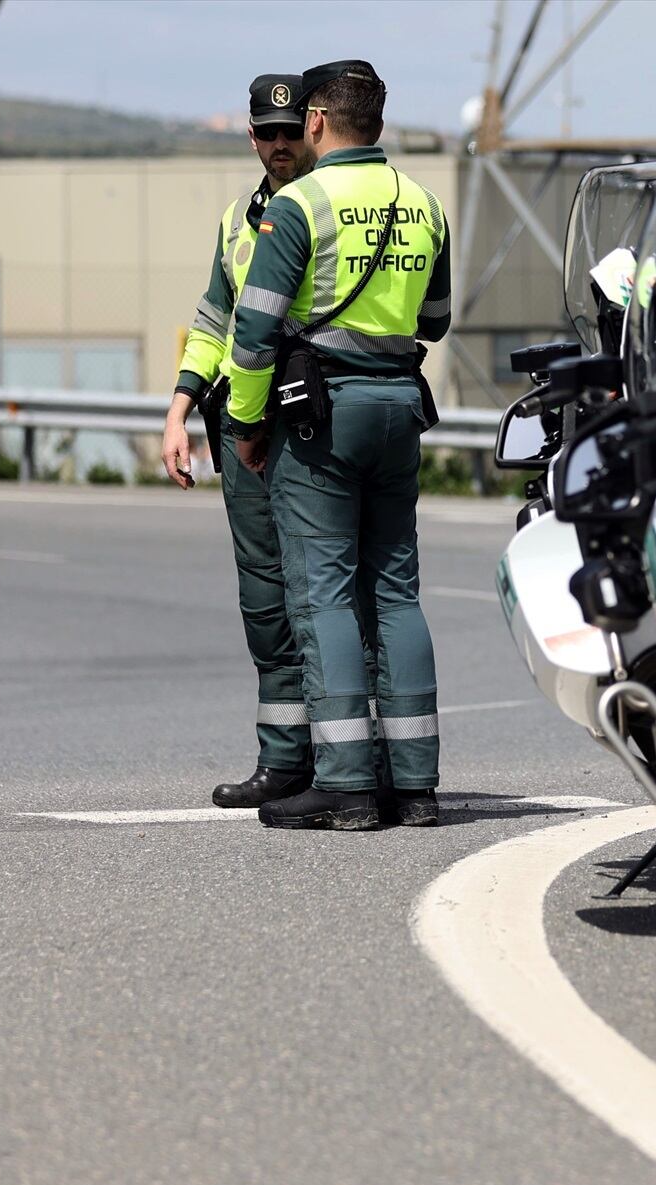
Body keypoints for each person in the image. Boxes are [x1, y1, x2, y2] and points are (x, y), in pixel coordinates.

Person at [222, 59, 451, 831]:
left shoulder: (298, 207)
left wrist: (248, 428)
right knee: (396, 590)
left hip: (324, 415)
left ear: (316, 121)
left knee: (321, 593)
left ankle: (348, 781)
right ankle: (415, 784)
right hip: (399, 407)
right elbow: (437, 320)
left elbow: (251, 335)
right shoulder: (425, 205)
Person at [159, 73, 319, 810]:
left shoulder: (325, 207)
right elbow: (213, 319)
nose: (280, 145)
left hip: (307, 419)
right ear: (252, 137)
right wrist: (179, 408)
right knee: (265, 594)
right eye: (268, 133)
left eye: (291, 132)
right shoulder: (238, 217)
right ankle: (284, 758)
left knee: (326, 591)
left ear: (312, 132)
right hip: (237, 423)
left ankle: (356, 759)